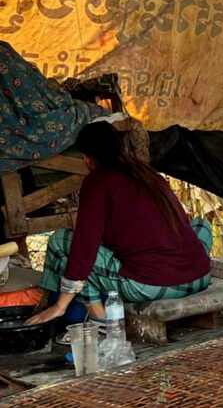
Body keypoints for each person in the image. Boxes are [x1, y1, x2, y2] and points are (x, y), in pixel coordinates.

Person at [26, 121, 212, 326]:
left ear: (88, 158)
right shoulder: (148, 174)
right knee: (201, 225)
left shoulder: (97, 181)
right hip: (199, 277)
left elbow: (84, 247)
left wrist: (60, 305)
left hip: (150, 284)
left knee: (62, 242)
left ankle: (100, 320)